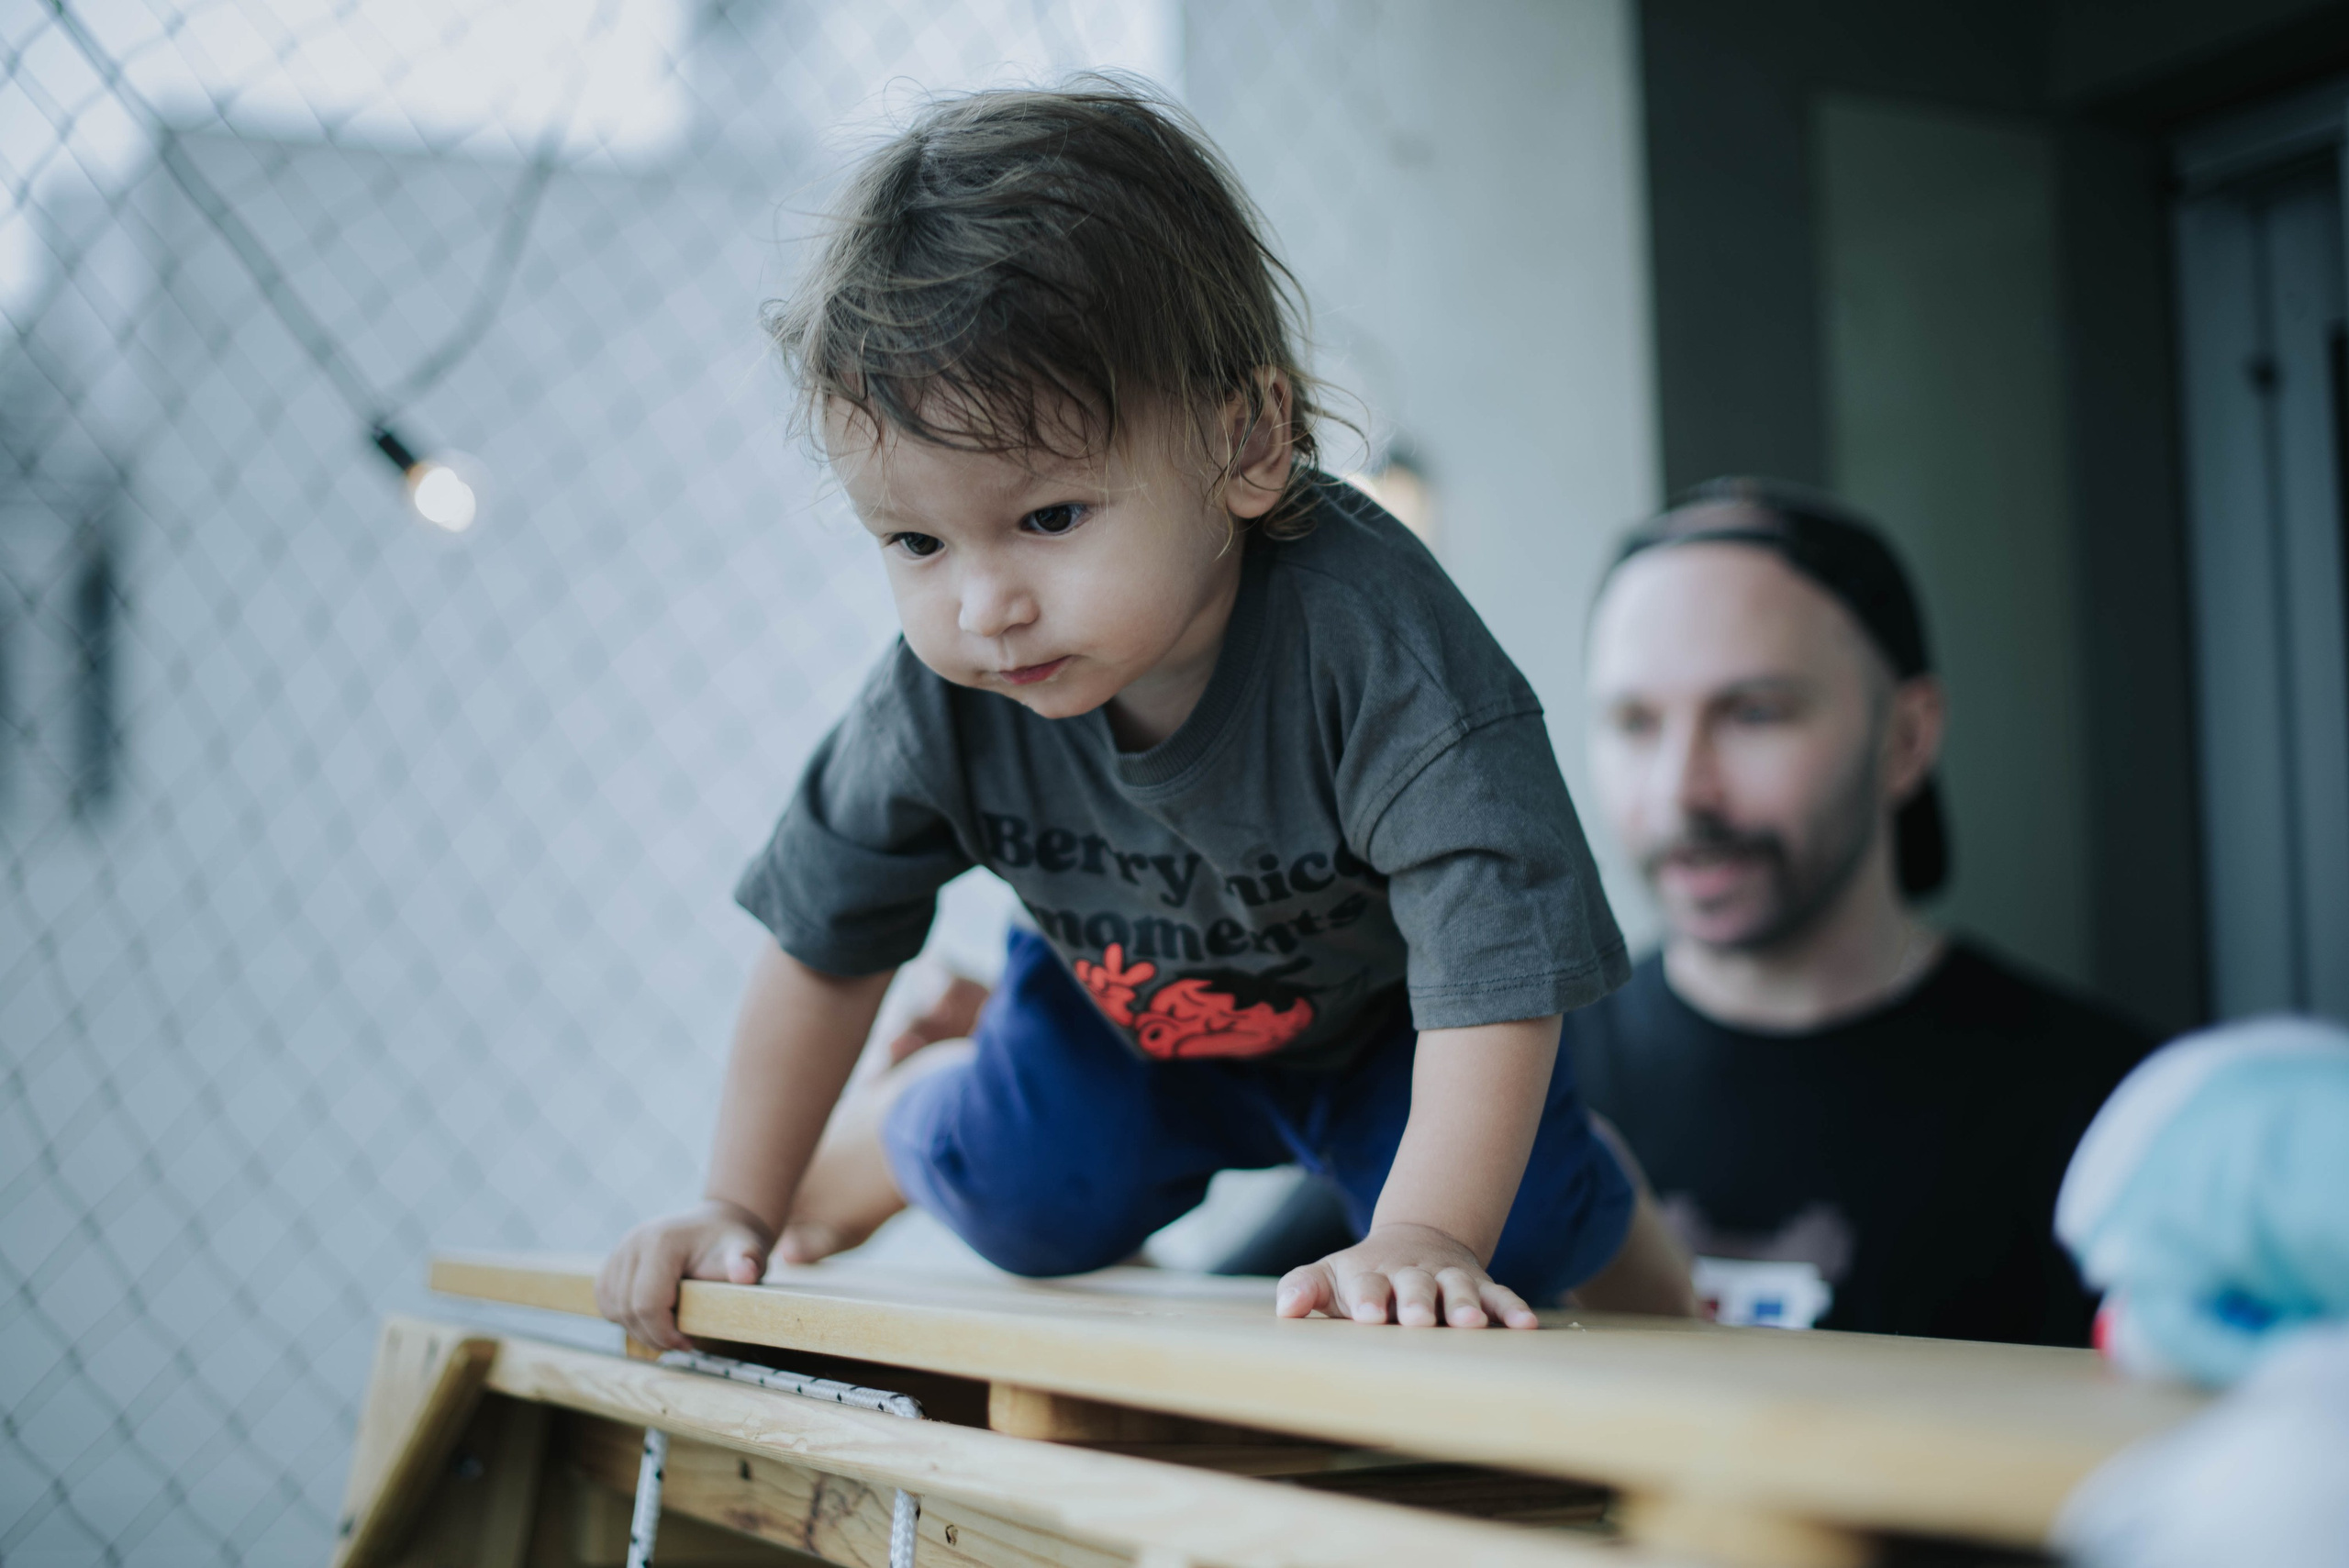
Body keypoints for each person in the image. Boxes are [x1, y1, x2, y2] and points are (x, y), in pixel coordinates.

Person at [596, 80, 1693, 1351]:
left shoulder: (1380, 651)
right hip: (1116, 1012)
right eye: (916, 542)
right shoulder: (941, 699)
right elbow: (824, 936)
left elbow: (1494, 953)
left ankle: (1614, 1207)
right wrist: (735, 1201)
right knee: (1029, 1208)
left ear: (1249, 442)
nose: (986, 606)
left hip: (1390, 1029)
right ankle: (911, 1115)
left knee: (1521, 1231)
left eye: (1050, 516)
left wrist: (1428, 1231)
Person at [1568, 478, 2154, 1344]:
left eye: (1755, 713)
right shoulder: (1506, 1099)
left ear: (1907, 737)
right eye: (1634, 721)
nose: (1681, 790)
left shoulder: (2117, 1119)